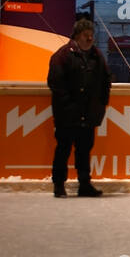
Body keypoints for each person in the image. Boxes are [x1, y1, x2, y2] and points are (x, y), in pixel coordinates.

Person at [48, 18, 112, 198]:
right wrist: (67, 105)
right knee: (63, 148)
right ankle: (59, 184)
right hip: (67, 114)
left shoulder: (97, 56)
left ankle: (85, 183)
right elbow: (55, 83)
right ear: (77, 36)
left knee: (84, 150)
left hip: (89, 113)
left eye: (91, 36)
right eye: (86, 35)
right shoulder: (62, 56)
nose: (90, 39)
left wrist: (101, 103)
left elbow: (106, 80)